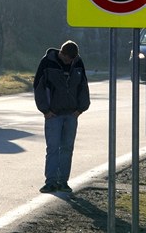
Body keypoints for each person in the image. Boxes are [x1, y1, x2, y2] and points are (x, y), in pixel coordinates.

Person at [33, 40, 91, 193]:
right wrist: (45, 110)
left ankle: (63, 182)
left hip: (72, 114)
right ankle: (50, 182)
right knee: (53, 148)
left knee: (67, 148)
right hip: (53, 114)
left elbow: (83, 86)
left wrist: (81, 109)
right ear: (61, 53)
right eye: (67, 59)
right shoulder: (47, 63)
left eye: (71, 60)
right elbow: (38, 87)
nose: (69, 62)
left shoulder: (77, 63)